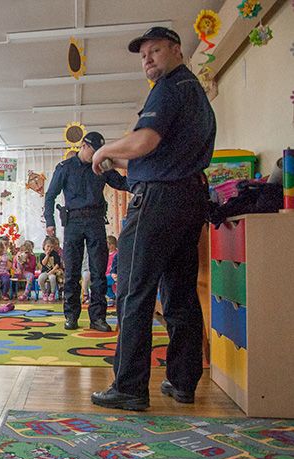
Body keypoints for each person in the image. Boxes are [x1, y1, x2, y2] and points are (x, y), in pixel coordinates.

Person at [89, 26, 216, 411]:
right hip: (189, 197)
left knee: (133, 290)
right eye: (143, 54)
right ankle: (182, 380)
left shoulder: (168, 88)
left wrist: (103, 150)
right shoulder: (195, 93)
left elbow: (144, 143)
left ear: (176, 51)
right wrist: (118, 159)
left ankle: (129, 386)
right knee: (179, 293)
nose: (148, 59)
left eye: (155, 51)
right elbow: (154, 158)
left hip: (159, 201)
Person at [44, 131, 128, 332]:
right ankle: (71, 316)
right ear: (83, 146)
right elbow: (50, 195)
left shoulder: (101, 165)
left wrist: (141, 174)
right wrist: (50, 221)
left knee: (98, 271)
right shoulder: (65, 168)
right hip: (73, 221)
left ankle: (97, 318)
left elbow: (122, 183)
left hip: (96, 221)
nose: (95, 155)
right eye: (93, 150)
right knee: (72, 271)